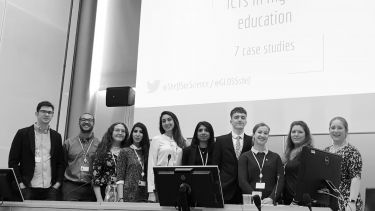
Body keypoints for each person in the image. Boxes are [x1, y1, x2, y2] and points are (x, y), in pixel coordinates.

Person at [8, 101, 65, 200]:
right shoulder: (23, 134)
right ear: (36, 113)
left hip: (50, 189)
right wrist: (20, 183)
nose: (46, 114)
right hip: (27, 188)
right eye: (43, 111)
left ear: (52, 115)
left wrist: (57, 184)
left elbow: (60, 162)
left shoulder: (56, 136)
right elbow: (13, 161)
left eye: (50, 112)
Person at [212, 107, 253, 204]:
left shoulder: (252, 141)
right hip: (225, 188)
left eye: (243, 117)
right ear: (231, 121)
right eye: (236, 117)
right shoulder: (220, 140)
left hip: (246, 189)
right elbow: (216, 165)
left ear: (246, 121)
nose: (240, 119)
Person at [238, 123, 284, 204]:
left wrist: (272, 198)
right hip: (251, 202)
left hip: (271, 202)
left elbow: (280, 180)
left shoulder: (275, 157)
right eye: (259, 132)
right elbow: (242, 181)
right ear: (253, 135)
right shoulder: (244, 157)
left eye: (265, 133)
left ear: (268, 136)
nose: (262, 135)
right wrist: (255, 197)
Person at [324, 117, 363, 211]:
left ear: (346, 131)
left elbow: (356, 178)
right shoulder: (326, 151)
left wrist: (352, 202)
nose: (336, 131)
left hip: (347, 201)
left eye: (340, 128)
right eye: (333, 128)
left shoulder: (353, 152)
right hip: (329, 200)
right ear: (329, 130)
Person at [147, 111, 186, 202]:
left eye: (169, 120)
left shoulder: (182, 141)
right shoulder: (157, 139)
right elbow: (151, 164)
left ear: (175, 121)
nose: (166, 123)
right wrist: (151, 191)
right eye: (163, 121)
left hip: (178, 183)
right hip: (161, 182)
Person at [62, 113, 100, 201]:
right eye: (83, 120)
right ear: (79, 122)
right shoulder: (68, 143)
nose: (86, 122)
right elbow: (62, 164)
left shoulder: (99, 144)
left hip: (91, 188)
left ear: (93, 123)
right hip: (70, 187)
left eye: (89, 120)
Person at [92, 122, 128, 202]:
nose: (120, 133)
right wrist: (99, 199)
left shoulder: (128, 151)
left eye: (123, 131)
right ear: (111, 132)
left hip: (124, 192)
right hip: (105, 192)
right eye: (117, 130)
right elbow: (96, 177)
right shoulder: (102, 151)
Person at [116, 122, 150, 202]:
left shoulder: (148, 152)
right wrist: (120, 198)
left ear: (144, 135)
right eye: (135, 131)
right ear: (131, 134)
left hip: (145, 195)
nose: (137, 134)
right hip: (128, 195)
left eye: (141, 132)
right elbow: (120, 177)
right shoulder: (125, 151)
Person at [282, 121, 313, 205]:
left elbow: (309, 181)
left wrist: (296, 200)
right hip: (287, 200)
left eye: (300, 132)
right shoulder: (288, 152)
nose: (296, 134)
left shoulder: (309, 153)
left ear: (306, 135)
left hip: (299, 202)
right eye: (293, 132)